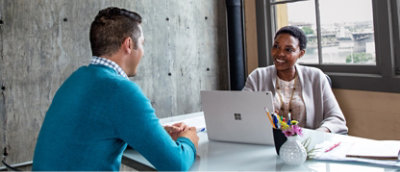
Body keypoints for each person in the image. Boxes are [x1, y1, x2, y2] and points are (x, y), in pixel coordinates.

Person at [32, 7, 199, 171]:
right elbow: (176, 165)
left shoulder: (76, 79)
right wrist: (188, 139)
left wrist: (154, 134)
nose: (143, 51)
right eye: (142, 43)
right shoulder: (121, 90)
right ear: (128, 44)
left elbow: (95, 134)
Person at [243, 26, 348, 134]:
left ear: (301, 53)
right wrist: (260, 115)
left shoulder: (316, 77)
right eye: (276, 46)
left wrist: (317, 135)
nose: (280, 53)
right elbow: (242, 112)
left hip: (308, 145)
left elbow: (336, 119)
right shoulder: (257, 76)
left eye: (288, 49)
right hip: (268, 143)